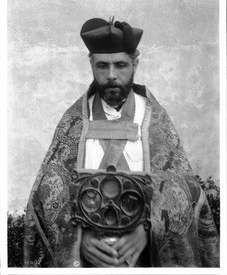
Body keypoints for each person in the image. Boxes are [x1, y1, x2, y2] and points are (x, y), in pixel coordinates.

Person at [24, 18, 219, 268]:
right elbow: (47, 193)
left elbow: (182, 188)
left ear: (135, 63)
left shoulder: (155, 120)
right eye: (102, 66)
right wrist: (78, 239)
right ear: (91, 64)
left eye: (121, 65)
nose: (112, 75)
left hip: (146, 260)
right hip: (88, 262)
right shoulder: (73, 122)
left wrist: (148, 229)